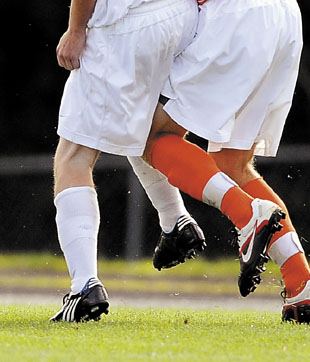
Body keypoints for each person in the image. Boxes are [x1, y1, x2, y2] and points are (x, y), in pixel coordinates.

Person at [138, 0, 310, 323]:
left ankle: (247, 215)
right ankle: (301, 283)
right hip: (283, 16)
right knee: (232, 166)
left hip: (237, 16)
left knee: (152, 137)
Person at [50, 0, 199, 322]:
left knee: (72, 158)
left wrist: (76, 31)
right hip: (182, 19)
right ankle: (175, 221)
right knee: (138, 130)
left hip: (129, 26)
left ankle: (84, 287)